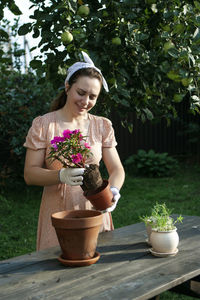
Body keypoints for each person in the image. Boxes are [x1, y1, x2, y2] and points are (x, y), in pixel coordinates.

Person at [24, 51, 125, 251]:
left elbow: (117, 169)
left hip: (95, 209)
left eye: (93, 97)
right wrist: (61, 175)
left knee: (97, 269)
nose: (86, 101)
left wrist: (112, 191)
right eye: (81, 92)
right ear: (68, 87)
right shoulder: (44, 125)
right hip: (59, 212)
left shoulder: (102, 125)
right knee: (58, 269)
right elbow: (30, 174)